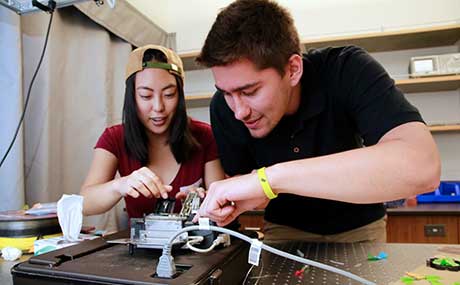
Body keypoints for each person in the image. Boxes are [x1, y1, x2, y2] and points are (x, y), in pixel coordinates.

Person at [194, 0, 440, 242]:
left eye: (249, 92)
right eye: (226, 93)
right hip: (284, 229)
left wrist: (269, 179)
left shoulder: (346, 69)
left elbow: (422, 168)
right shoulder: (223, 109)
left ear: (292, 69)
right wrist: (233, 199)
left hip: (360, 228)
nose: (239, 112)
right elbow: (248, 184)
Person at [80, 45, 224, 219]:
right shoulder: (114, 138)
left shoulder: (204, 136)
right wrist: (121, 185)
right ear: (131, 97)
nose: (158, 107)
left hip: (195, 244)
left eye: (169, 94)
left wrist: (203, 199)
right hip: (141, 244)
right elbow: (84, 203)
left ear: (180, 96)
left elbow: (222, 199)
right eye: (146, 96)